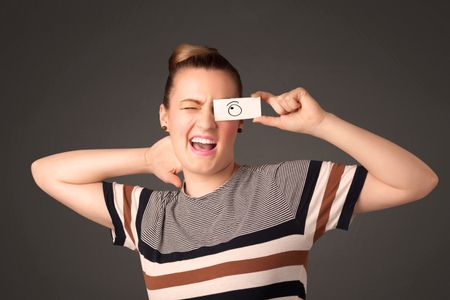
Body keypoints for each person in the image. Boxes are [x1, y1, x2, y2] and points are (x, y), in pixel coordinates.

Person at [31, 43, 439, 300]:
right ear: (165, 117)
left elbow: (418, 181)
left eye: (222, 109)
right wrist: (146, 158)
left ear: (239, 120)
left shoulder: (286, 190)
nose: (205, 124)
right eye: (190, 107)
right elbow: (46, 172)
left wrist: (321, 124)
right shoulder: (148, 217)